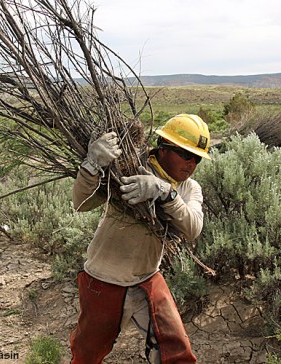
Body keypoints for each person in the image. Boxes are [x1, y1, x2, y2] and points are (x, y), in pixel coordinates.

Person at [70, 114, 211, 363]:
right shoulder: (127, 167)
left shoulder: (189, 188)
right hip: (103, 281)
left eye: (197, 158)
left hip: (147, 279)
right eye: (186, 155)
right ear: (164, 148)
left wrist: (164, 192)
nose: (192, 164)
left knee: (178, 355)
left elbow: (193, 228)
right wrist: (91, 165)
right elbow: (81, 203)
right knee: (87, 356)